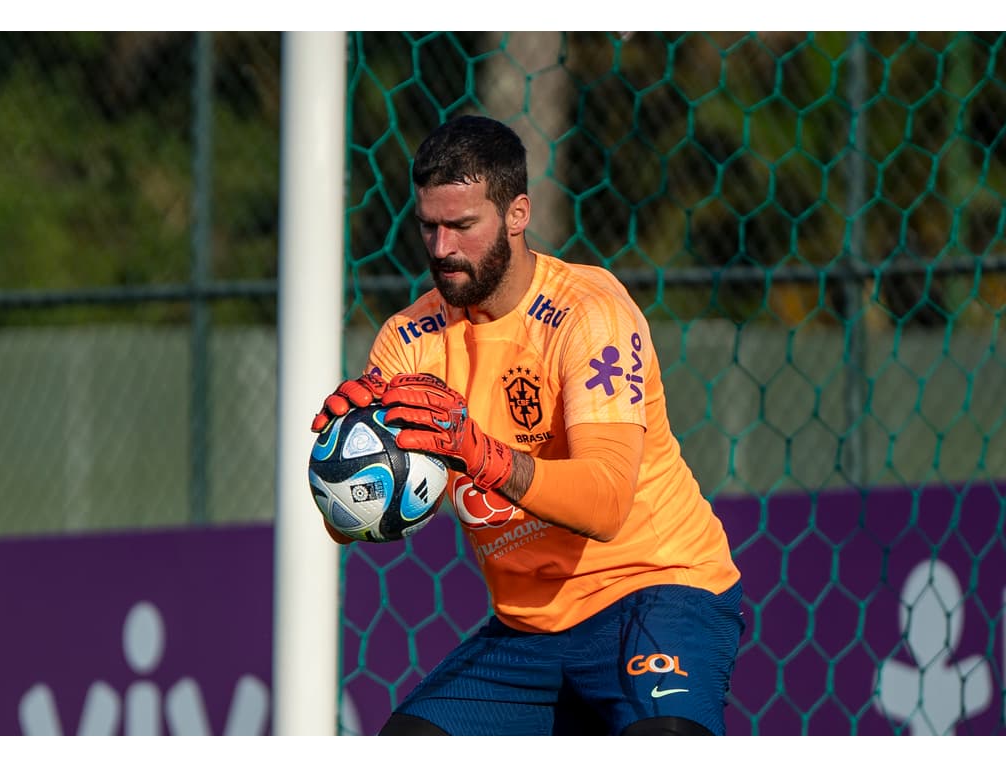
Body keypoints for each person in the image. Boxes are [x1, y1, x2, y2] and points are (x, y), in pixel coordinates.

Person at [310, 114, 745, 736]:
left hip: (655, 589)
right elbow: (349, 522)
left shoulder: (587, 315)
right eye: (428, 227)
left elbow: (606, 501)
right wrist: (345, 462)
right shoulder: (407, 341)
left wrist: (481, 455)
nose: (441, 249)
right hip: (530, 627)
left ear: (517, 214)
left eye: (462, 226)